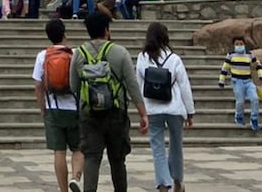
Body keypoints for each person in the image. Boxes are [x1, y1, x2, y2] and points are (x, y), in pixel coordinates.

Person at [69, 11, 148, 192]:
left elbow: (73, 86)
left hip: (89, 115)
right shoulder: (120, 52)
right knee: (118, 159)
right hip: (116, 114)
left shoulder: (78, 54)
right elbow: (132, 85)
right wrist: (143, 114)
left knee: (91, 158)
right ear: (106, 30)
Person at [136, 22, 194, 192]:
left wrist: (142, 112)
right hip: (174, 108)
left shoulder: (142, 57)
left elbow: (139, 85)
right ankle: (177, 181)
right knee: (176, 146)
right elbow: (184, 86)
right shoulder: (174, 59)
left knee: (157, 148)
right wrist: (190, 111)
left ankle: (163, 184)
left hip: (153, 109)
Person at [33, 18, 83, 192]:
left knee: (59, 152)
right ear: (64, 34)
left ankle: (63, 190)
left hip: (53, 108)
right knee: (78, 149)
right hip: (74, 108)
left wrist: (42, 109)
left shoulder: (42, 56)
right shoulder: (75, 53)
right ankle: (75, 177)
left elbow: (38, 85)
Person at [218, 35, 262, 133]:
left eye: (241, 44)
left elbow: (257, 64)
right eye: (237, 44)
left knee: (255, 98)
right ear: (233, 45)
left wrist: (260, 75)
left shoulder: (249, 55)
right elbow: (225, 68)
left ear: (244, 44)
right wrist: (221, 80)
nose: (239, 46)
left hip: (248, 81)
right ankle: (238, 116)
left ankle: (254, 119)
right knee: (240, 101)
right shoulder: (231, 55)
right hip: (237, 81)